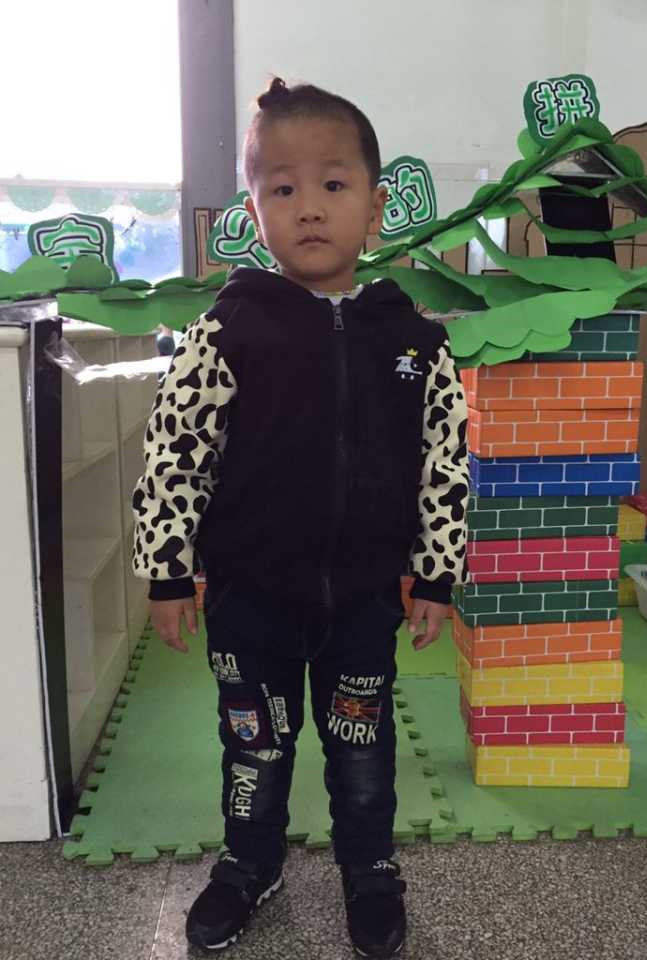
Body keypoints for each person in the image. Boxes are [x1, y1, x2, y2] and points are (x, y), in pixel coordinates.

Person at [132, 77, 468, 959]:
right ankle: (250, 861)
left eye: (333, 184)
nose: (309, 207)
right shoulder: (228, 329)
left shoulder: (416, 341)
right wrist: (167, 572)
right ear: (255, 211)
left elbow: (444, 466)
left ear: (375, 207)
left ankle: (370, 867)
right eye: (282, 188)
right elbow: (176, 452)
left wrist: (437, 575)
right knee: (255, 743)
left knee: (361, 745)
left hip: (362, 599)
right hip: (251, 597)